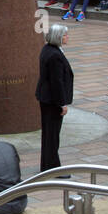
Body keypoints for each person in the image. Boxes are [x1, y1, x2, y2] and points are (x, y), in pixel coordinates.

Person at [36, 22, 74, 172]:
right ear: (58, 37)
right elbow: (56, 82)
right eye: (65, 35)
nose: (67, 37)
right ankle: (52, 167)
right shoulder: (55, 55)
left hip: (46, 98)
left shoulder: (48, 50)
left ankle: (47, 165)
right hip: (52, 101)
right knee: (52, 136)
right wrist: (62, 103)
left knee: (49, 134)